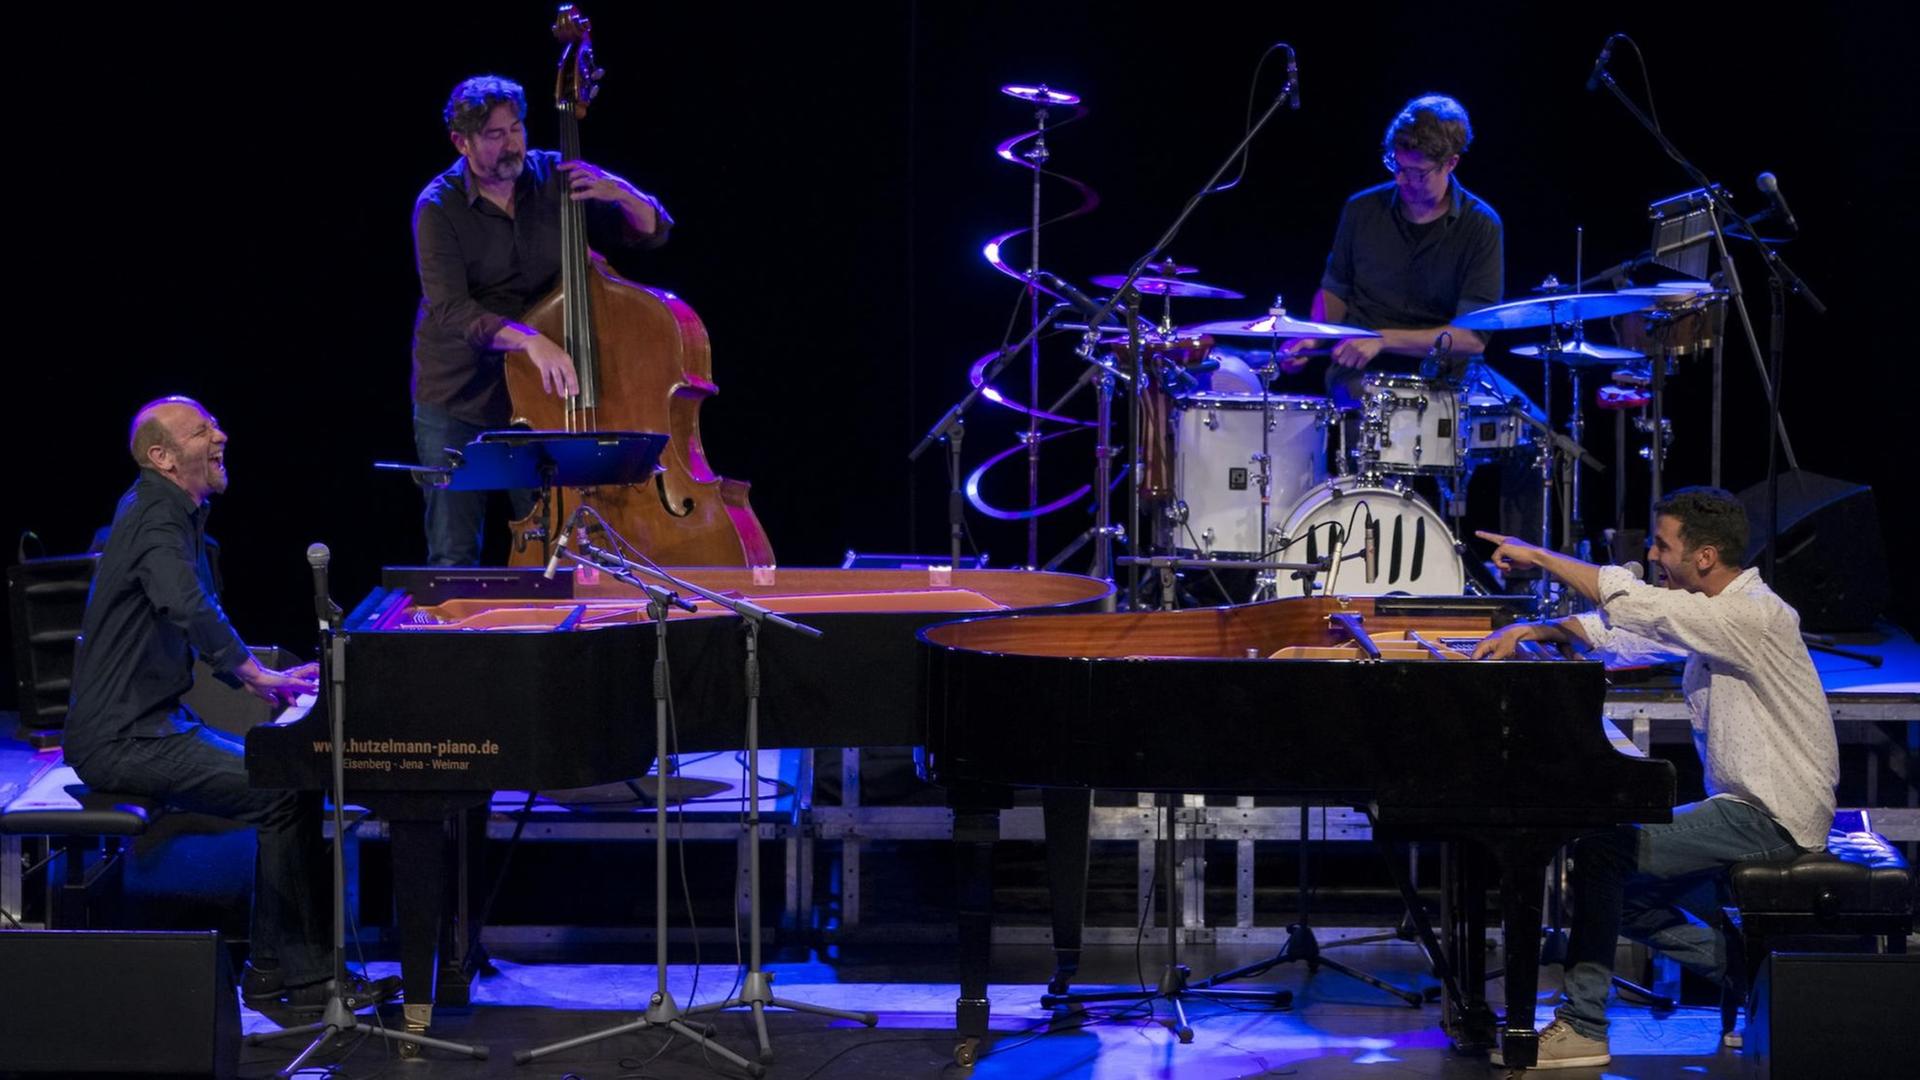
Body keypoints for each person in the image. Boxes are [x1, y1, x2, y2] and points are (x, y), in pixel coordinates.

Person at [1472, 487, 1839, 1069]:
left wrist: (1540, 557)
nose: (1653, 553)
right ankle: (1757, 981)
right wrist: (1533, 632)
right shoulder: (1717, 613)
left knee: (1602, 855)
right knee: (1616, 892)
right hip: (1746, 810)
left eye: (1663, 544)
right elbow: (1625, 634)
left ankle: (1584, 1026)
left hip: (1772, 816)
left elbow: (1636, 604)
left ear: (1705, 556)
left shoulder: (1751, 615)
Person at [65, 396, 398, 1013]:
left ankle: (274, 969)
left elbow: (190, 609)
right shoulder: (155, 518)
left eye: (214, 425)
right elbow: (185, 605)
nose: (220, 436)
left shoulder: (171, 513)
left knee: (285, 783)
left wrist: (252, 679)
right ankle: (298, 977)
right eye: (202, 431)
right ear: (163, 457)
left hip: (155, 726)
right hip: (124, 740)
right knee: (279, 791)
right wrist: (250, 672)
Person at [411, 74, 674, 565]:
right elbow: (451, 310)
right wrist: (530, 339)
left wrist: (623, 194)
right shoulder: (437, 207)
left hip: (541, 399)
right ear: (461, 142)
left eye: (517, 128)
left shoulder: (554, 176)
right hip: (459, 396)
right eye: (494, 135)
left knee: (552, 547)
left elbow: (650, 232)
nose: (512, 144)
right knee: (453, 553)